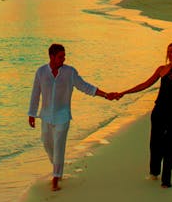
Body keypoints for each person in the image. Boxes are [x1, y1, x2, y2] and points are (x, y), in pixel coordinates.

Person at [27, 42, 115, 191]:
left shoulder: (70, 72)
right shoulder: (41, 72)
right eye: (60, 57)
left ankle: (56, 177)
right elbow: (36, 93)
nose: (63, 59)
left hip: (63, 116)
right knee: (47, 144)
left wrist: (106, 95)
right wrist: (31, 114)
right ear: (51, 57)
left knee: (59, 145)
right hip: (46, 116)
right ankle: (57, 165)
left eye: (64, 56)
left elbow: (85, 86)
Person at [116, 41, 172, 188]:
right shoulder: (162, 70)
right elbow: (145, 84)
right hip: (159, 112)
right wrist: (125, 92)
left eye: (171, 51)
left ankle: (166, 180)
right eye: (168, 51)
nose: (168, 54)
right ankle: (154, 171)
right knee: (155, 144)